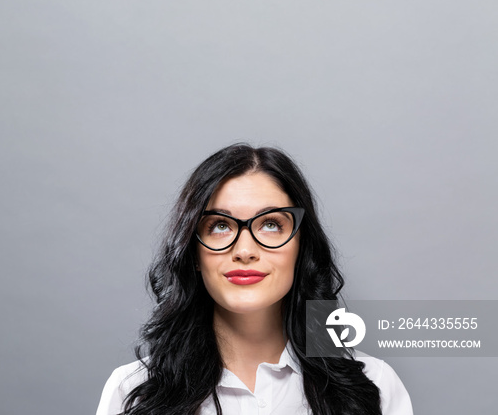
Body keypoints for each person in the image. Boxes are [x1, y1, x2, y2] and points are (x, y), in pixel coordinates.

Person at [96, 144, 412, 415]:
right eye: (220, 225)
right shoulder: (132, 392)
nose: (245, 250)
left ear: (301, 247)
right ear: (193, 252)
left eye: (271, 224)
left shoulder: (376, 387)